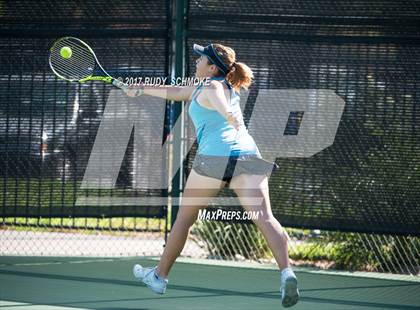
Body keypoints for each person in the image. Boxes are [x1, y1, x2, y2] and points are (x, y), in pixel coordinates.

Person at [124, 43, 299, 307]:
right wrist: (139, 88)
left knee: (184, 219)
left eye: (201, 59)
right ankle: (287, 272)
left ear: (212, 67)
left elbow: (215, 94)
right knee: (265, 218)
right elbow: (174, 92)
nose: (196, 62)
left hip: (215, 158)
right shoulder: (203, 88)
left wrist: (228, 114)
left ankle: (159, 277)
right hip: (247, 155)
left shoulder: (212, 86)